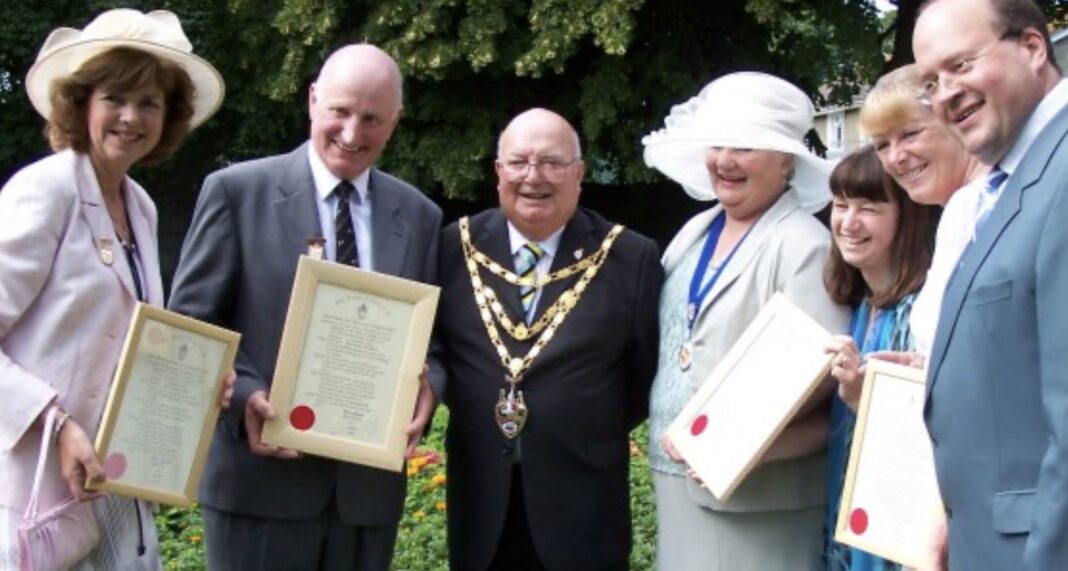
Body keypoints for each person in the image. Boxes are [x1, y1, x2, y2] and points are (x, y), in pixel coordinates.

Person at [167, 44, 441, 570]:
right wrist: (243, 395)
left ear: (396, 121)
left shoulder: (419, 215)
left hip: (365, 499)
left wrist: (431, 389)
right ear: (313, 100)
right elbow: (191, 328)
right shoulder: (235, 192)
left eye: (372, 119)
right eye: (340, 111)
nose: (352, 133)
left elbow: (436, 341)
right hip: (257, 487)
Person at [0, 9, 224, 570]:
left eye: (149, 102)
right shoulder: (44, 190)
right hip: (33, 495)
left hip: (115, 489)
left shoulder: (140, 206)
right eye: (115, 99)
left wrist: (194, 387)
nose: (131, 117)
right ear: (81, 105)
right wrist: (56, 425)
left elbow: (131, 344)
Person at [432, 108, 662, 570]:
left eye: (552, 163)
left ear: (579, 174)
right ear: (499, 172)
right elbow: (436, 355)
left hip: (583, 500)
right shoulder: (451, 248)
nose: (533, 177)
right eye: (518, 162)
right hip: (481, 495)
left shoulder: (629, 257)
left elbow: (643, 378)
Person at [641, 72, 850, 570]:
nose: (725, 161)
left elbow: (820, 381)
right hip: (678, 482)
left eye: (746, 146)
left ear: (786, 161)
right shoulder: (697, 228)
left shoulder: (804, 244)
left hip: (757, 501)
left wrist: (727, 444)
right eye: (717, 145)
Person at [911, 0, 1068, 568]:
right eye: (931, 80)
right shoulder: (1013, 181)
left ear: (1032, 47)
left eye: (962, 64)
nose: (946, 92)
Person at [820, 147, 937, 571]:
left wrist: (860, 398)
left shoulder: (925, 313)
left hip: (900, 537)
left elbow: (934, 438)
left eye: (869, 208)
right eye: (840, 205)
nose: (848, 222)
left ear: (907, 217)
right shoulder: (856, 308)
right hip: (846, 528)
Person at [857, 63, 986, 357]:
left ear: (955, 120)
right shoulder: (956, 214)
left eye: (910, 134)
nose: (896, 157)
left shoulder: (981, 207)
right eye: (882, 145)